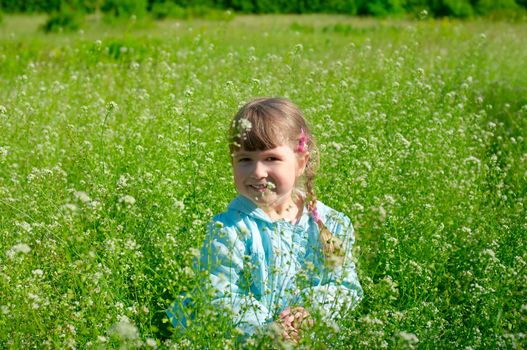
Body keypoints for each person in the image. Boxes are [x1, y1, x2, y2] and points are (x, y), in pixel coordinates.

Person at [167, 97, 362, 343]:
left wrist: (310, 313)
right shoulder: (228, 228)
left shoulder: (332, 224)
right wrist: (268, 332)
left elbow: (345, 286)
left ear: (301, 162)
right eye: (245, 159)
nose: (257, 172)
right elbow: (220, 296)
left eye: (271, 158)